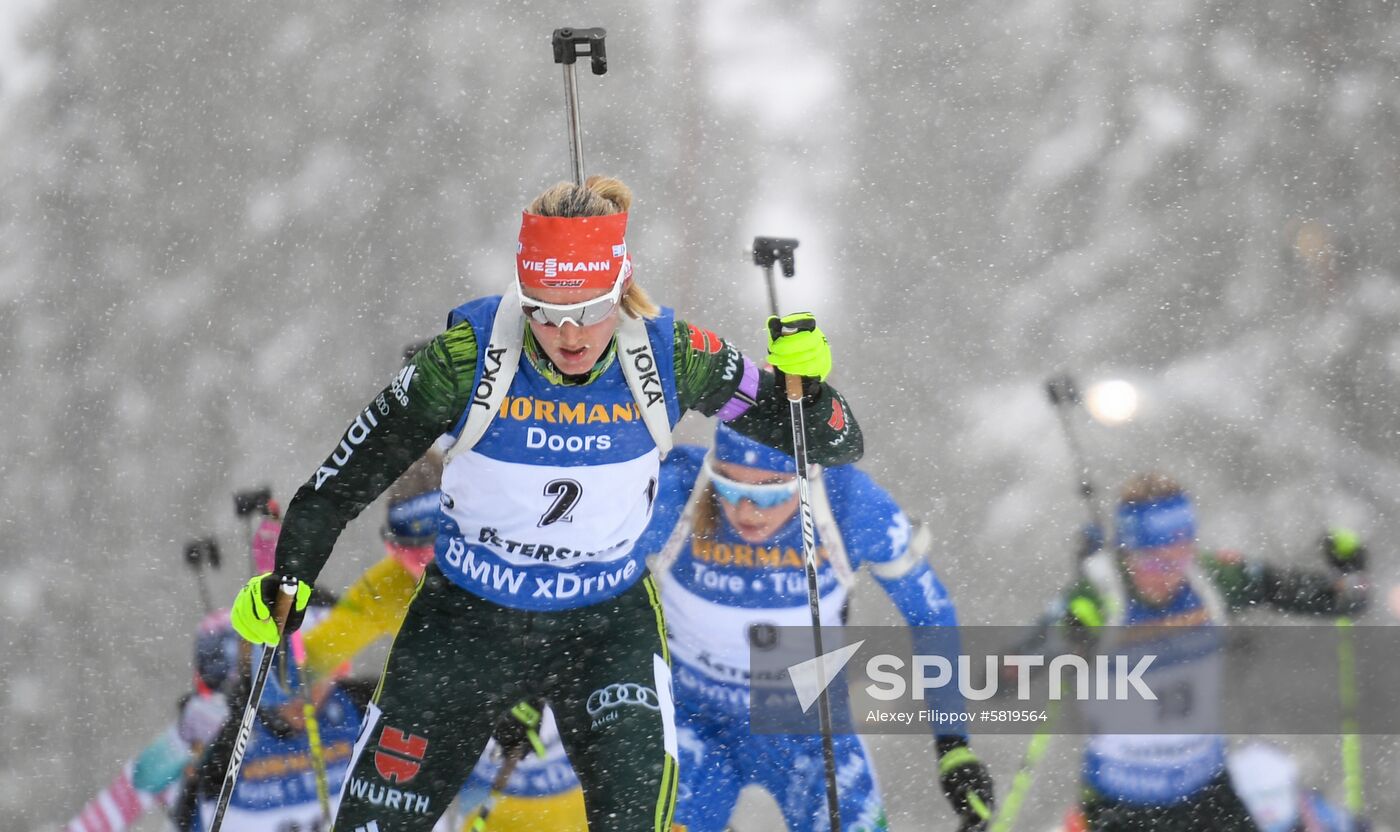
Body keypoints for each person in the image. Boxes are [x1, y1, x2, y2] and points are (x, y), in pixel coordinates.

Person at [228, 174, 864, 831]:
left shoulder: (669, 355)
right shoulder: (465, 358)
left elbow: (832, 440)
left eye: (589, 309)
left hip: (602, 624)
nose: (568, 333)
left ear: (621, 288)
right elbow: (342, 479)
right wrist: (290, 575)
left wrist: (806, 388)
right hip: (467, 620)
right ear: (522, 294)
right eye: (545, 309)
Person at [643, 423, 994, 831]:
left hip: (804, 724)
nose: (746, 511)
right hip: (690, 717)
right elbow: (578, 572)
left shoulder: (849, 504)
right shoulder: (674, 492)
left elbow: (930, 614)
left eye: (771, 491)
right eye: (730, 486)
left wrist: (953, 744)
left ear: (808, 475)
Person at [1052, 472, 1368, 832]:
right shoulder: (1101, 592)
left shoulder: (1210, 580)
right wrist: (1073, 634)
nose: (1169, 575)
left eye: (1180, 556)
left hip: (1203, 792)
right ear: (1128, 552)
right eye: (1155, 562)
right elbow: (1018, 666)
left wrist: (1350, 579)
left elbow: (1324, 596)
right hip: (1122, 801)